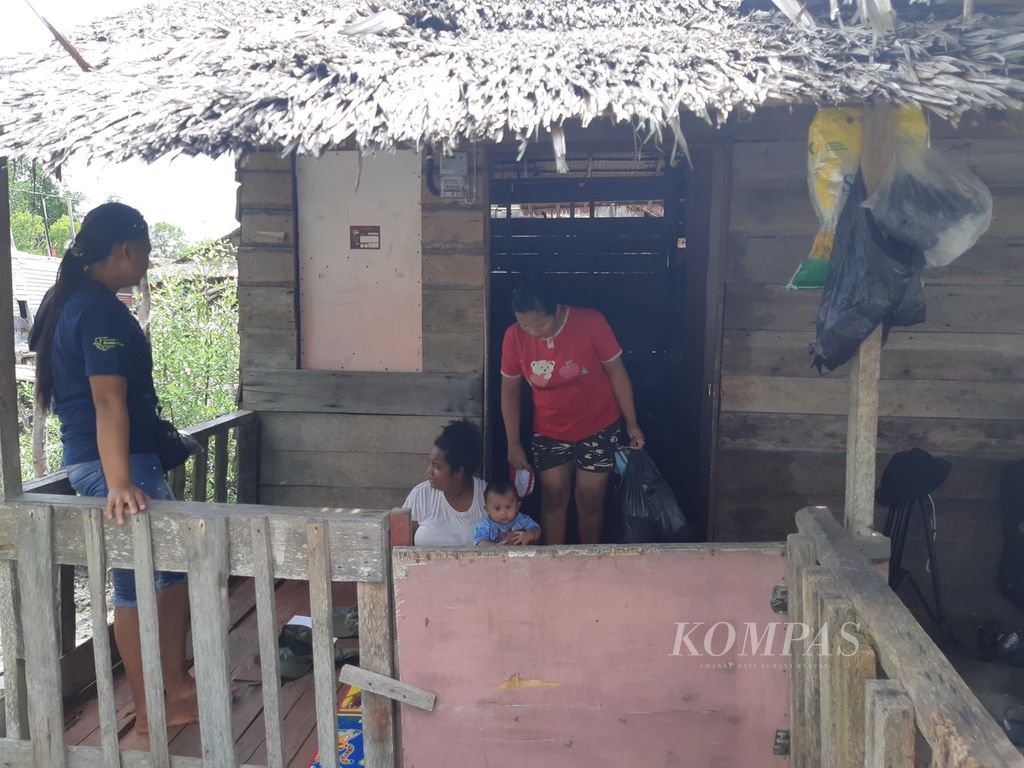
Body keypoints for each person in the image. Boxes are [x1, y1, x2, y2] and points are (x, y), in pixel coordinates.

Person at [29, 203, 197, 734]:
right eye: (146, 251)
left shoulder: (78, 302)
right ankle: (151, 710)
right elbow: (107, 401)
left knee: (168, 572)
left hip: (117, 461)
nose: (148, 262)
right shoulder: (96, 311)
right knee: (137, 581)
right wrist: (120, 480)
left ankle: (173, 684)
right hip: (114, 465)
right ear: (126, 249)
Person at [500, 280, 645, 545]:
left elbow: (616, 371)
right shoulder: (513, 336)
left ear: (556, 310)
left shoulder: (590, 322)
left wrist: (632, 422)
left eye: (539, 325)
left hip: (599, 425)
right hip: (548, 430)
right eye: (524, 325)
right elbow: (509, 391)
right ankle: (555, 565)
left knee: (590, 498)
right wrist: (513, 443)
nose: (532, 332)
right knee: (553, 497)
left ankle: (588, 562)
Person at [403, 420, 486, 546]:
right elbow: (401, 546)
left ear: (458, 472)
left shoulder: (488, 498)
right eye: (430, 463)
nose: (429, 471)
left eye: (436, 466)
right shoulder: (420, 495)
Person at [474, 479, 541, 546]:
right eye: (497, 509)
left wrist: (529, 535)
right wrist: (494, 547)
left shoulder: (522, 519)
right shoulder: (486, 525)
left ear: (517, 506)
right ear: (487, 510)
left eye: (508, 507)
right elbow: (480, 542)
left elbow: (537, 530)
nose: (503, 513)